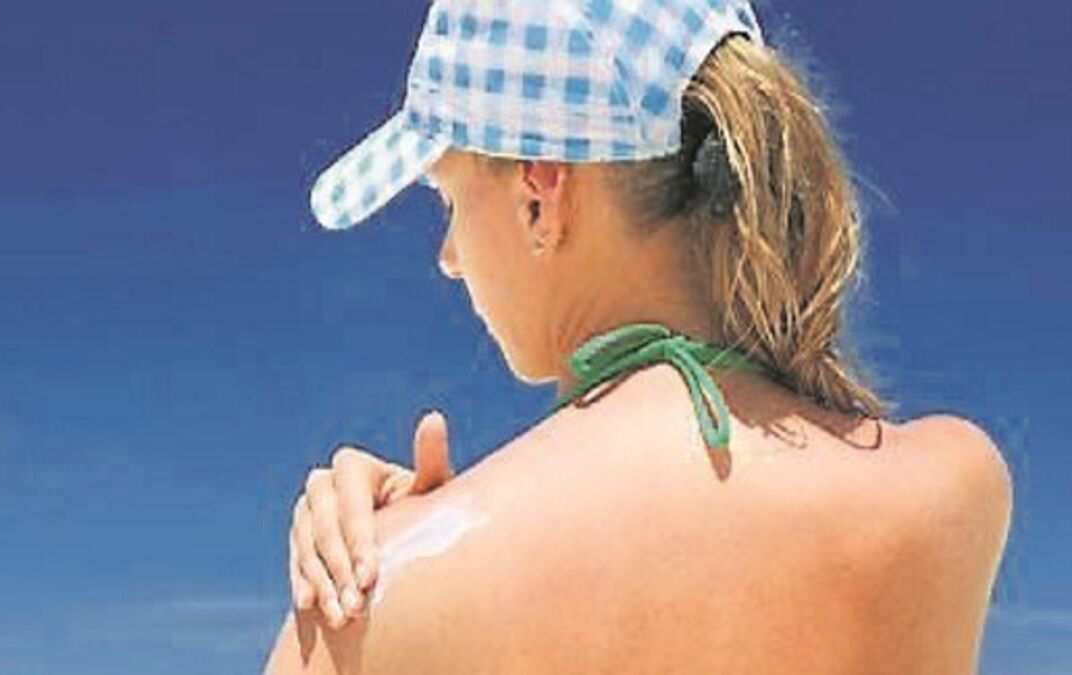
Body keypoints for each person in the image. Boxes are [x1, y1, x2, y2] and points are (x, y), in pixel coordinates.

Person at [265, 0, 1013, 672]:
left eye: (450, 200)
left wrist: (418, 533)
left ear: (539, 198)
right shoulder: (949, 489)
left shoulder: (370, 604)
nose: (450, 256)